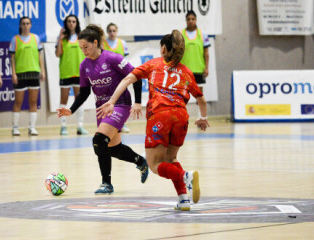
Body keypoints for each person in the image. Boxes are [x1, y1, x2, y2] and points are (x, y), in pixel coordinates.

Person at [97, 30, 210, 211]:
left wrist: (111, 101)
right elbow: (202, 100)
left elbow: (127, 79)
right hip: (181, 116)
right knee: (171, 158)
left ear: (163, 48)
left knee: (154, 164)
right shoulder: (186, 71)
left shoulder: (154, 64)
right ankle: (183, 199)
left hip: (160, 115)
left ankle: (185, 176)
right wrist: (203, 118)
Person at [57, 24, 148, 194]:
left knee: (99, 140)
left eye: (86, 47)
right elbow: (84, 92)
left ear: (96, 42)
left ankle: (106, 183)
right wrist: (71, 109)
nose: (83, 51)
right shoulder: (84, 65)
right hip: (102, 109)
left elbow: (136, 75)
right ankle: (140, 161)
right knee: (112, 148)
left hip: (120, 104)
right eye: (81, 48)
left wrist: (137, 102)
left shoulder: (113, 58)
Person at [9, 17, 46, 136]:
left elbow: (40, 55)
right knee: (18, 101)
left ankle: (32, 127)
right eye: (23, 23)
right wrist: (13, 73)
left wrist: (42, 70)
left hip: (34, 73)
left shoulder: (36, 38)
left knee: (33, 101)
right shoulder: (15, 39)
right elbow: (12, 58)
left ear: (30, 25)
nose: (25, 25)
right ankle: (15, 128)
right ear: (20, 25)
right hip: (20, 74)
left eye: (27, 23)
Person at [55, 15, 88, 136]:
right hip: (66, 73)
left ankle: (80, 126)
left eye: (74, 21)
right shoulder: (62, 38)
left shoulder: (82, 38)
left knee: (79, 100)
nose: (71, 23)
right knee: (63, 100)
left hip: (79, 74)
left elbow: (87, 54)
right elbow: (58, 54)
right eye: (69, 21)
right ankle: (63, 126)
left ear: (77, 23)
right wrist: (59, 39)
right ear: (66, 23)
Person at [181, 10, 210, 121]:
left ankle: (201, 116)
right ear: (186, 20)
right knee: (183, 94)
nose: (191, 21)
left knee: (199, 95)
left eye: (193, 19)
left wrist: (206, 67)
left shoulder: (203, 35)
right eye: (188, 19)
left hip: (199, 69)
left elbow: (206, 53)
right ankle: (183, 116)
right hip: (185, 70)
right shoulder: (182, 34)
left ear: (196, 20)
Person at [103, 23, 131, 133]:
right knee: (110, 100)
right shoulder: (103, 44)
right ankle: (110, 123)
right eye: (109, 31)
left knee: (122, 100)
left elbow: (127, 59)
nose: (112, 33)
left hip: (120, 77)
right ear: (107, 32)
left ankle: (122, 123)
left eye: (114, 30)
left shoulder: (122, 43)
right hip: (108, 77)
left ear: (117, 31)